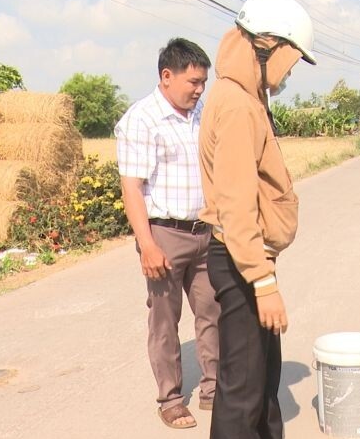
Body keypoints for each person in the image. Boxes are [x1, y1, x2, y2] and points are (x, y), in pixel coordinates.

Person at [197, 0, 316, 439]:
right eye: (293, 58)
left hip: (247, 261)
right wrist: (262, 283)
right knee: (242, 393)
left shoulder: (246, 96)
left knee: (263, 382)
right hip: (241, 263)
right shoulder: (235, 105)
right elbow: (236, 204)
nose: (290, 72)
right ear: (268, 45)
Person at [114, 38, 219, 430]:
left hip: (206, 232)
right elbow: (132, 188)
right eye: (193, 81)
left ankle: (213, 389)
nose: (198, 89)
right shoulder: (141, 120)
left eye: (203, 82)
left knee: (212, 312)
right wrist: (147, 245)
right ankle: (171, 399)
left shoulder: (201, 114)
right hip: (165, 234)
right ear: (166, 76)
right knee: (164, 320)